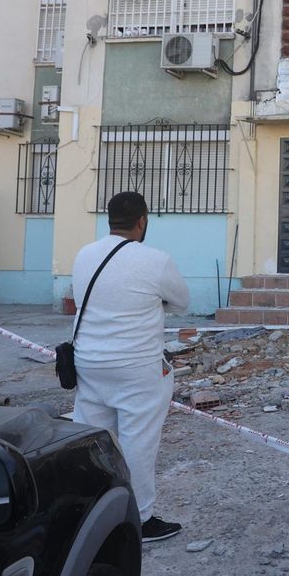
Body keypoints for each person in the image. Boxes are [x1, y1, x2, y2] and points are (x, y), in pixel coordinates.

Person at [71, 191, 191, 543]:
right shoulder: (155, 260)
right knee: (138, 442)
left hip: (88, 363)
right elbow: (182, 302)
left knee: (93, 440)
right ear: (142, 221)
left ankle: (91, 512)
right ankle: (140, 519)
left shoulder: (84, 255)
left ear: (109, 220)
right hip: (137, 368)